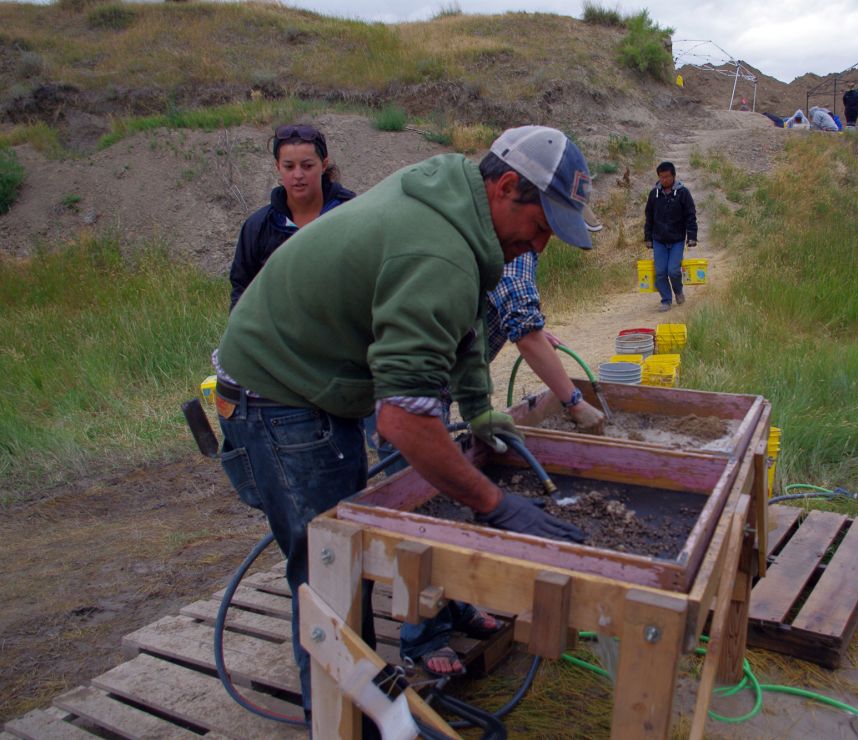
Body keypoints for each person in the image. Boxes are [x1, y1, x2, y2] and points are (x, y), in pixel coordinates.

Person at [212, 124, 592, 727]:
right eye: (542, 226)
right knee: (329, 574)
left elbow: (463, 329)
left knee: (342, 559)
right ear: (507, 187)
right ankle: (343, 723)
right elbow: (402, 423)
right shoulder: (436, 249)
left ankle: (362, 706)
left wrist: (477, 409)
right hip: (277, 391)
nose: (540, 246)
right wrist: (495, 504)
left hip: (313, 382)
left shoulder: (456, 209)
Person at [398, 247, 608, 676]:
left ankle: (454, 606)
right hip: (406, 382)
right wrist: (574, 402)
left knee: (448, 492)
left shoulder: (508, 242)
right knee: (422, 506)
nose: (547, 237)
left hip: (442, 376)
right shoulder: (515, 247)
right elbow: (525, 333)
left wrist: (532, 335)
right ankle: (424, 637)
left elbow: (510, 322)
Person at [228, 123, 355, 311]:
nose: (298, 175)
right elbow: (241, 290)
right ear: (277, 167)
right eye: (289, 166)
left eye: (307, 165)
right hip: (276, 337)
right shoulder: (258, 226)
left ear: (323, 165)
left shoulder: (352, 215)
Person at [643, 161, 697, 312]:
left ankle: (678, 292)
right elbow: (649, 217)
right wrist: (648, 237)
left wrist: (692, 236)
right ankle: (666, 300)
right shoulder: (654, 194)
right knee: (660, 272)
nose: (664, 180)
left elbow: (690, 215)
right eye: (661, 177)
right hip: (659, 239)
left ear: (673, 176)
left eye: (667, 177)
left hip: (677, 239)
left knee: (673, 270)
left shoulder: (683, 193)